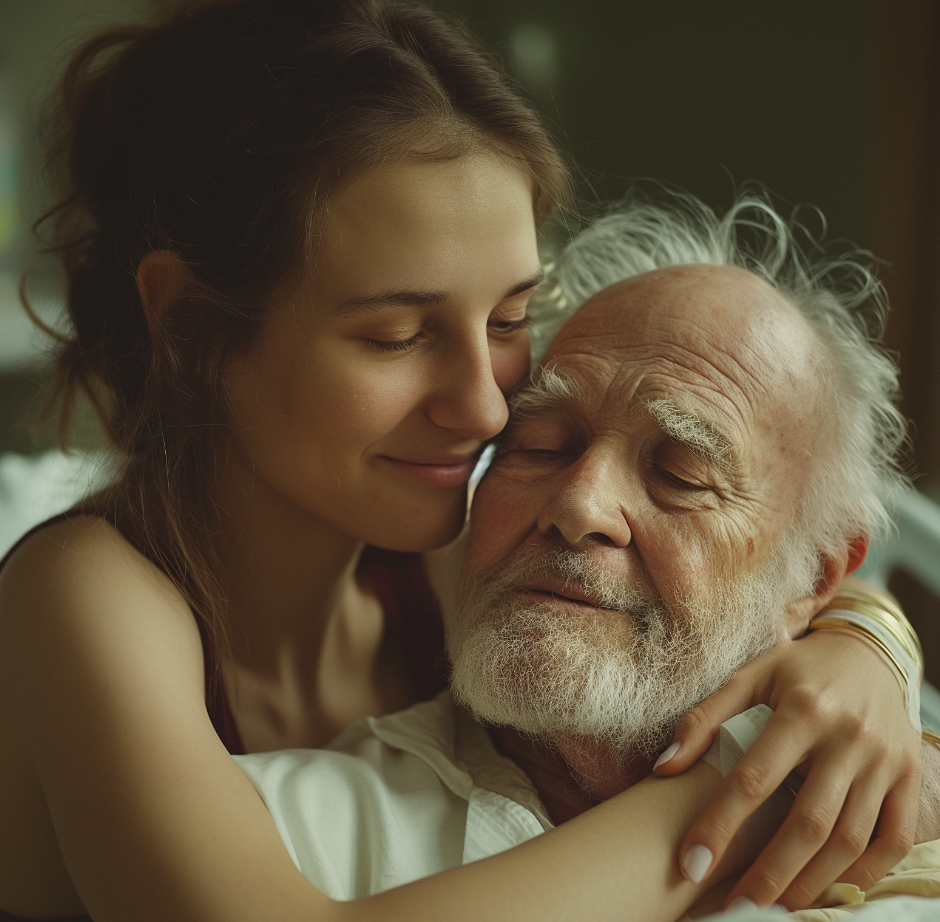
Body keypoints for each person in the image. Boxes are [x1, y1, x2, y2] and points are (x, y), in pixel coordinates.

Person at [0, 1, 928, 919]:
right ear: (194, 329)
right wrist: (739, 789)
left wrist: (868, 647)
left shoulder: (433, 549)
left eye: (507, 318)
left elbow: (756, 573)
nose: (486, 403)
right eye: (398, 335)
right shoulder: (86, 598)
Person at [220, 191, 940, 917]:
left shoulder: (912, 809)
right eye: (541, 445)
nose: (579, 506)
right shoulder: (277, 837)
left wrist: (876, 642)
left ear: (814, 578)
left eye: (681, 473)